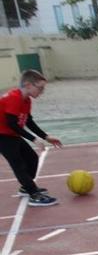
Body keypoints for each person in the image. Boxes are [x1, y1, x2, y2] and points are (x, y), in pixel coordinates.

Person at [0, 70, 63, 207]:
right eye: (40, 88)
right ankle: (34, 195)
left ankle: (26, 186)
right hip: (3, 136)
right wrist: (33, 139)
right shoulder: (14, 97)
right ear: (28, 85)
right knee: (18, 165)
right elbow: (12, 123)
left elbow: (28, 121)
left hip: (11, 133)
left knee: (32, 159)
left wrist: (46, 137)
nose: (42, 91)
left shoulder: (26, 100)